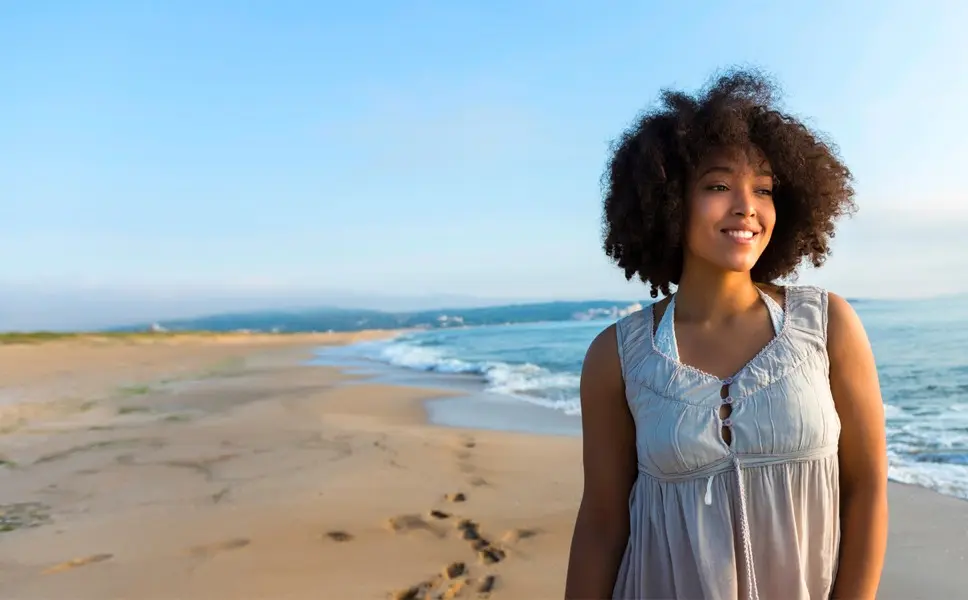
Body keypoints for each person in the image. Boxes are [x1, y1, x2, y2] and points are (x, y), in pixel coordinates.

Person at [564, 69, 888, 600]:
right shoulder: (617, 356)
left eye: (763, 189)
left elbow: (867, 487)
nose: (747, 207)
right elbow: (602, 523)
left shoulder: (827, 325)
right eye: (718, 186)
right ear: (668, 201)